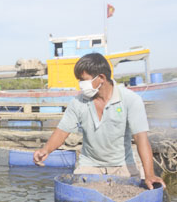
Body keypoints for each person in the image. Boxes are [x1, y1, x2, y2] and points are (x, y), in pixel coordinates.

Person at [33, 53, 165, 190]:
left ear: (101, 78)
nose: (80, 85)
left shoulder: (130, 100)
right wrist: (46, 150)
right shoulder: (78, 102)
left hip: (122, 164)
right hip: (89, 164)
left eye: (83, 80)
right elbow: (62, 131)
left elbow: (140, 138)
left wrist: (149, 174)